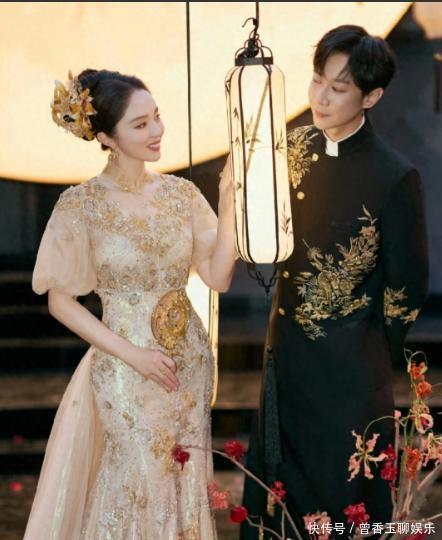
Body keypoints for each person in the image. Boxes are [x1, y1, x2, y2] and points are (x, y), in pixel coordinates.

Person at [23, 68, 236, 539]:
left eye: (156, 116)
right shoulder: (81, 205)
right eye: (140, 124)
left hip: (189, 362)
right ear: (106, 137)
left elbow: (218, 277)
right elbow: (61, 302)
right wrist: (133, 354)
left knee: (184, 481)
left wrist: (228, 206)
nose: (157, 130)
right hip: (124, 367)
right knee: (139, 479)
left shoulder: (182, 195)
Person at [240, 25, 429, 539]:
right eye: (317, 81)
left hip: (351, 375)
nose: (320, 97)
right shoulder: (289, 150)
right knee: (281, 494)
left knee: (346, 502)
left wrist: (364, 344)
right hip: (287, 358)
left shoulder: (394, 175)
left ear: (372, 96)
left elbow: (408, 286)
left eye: (338, 88)